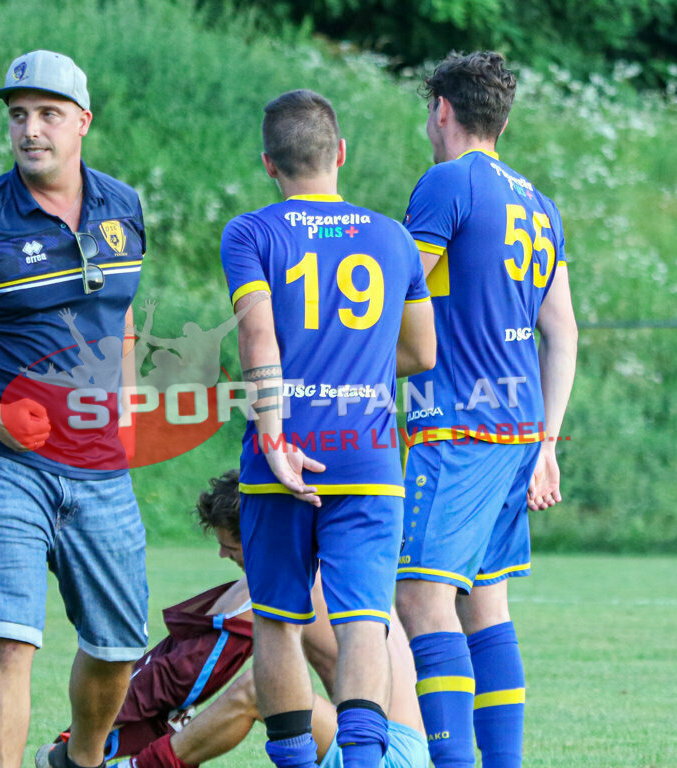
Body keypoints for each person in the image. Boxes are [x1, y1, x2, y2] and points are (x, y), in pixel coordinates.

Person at [0, 50, 149, 768]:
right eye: (18, 116)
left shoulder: (124, 206)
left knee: (117, 648)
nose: (30, 129)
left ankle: (82, 760)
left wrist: (125, 404)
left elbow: (120, 313)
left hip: (99, 464)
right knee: (9, 638)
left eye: (46, 115)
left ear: (82, 122)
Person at [219, 90, 437, 768]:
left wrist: (277, 435)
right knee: (366, 620)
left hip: (284, 456)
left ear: (268, 165)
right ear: (340, 153)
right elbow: (423, 354)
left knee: (280, 621)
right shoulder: (392, 237)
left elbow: (258, 336)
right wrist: (363, 365)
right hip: (370, 457)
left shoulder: (250, 233)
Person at [393, 52, 579, 768]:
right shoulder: (537, 201)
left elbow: (402, 306)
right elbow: (559, 330)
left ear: (441, 108)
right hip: (519, 432)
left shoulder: (448, 183)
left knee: (422, 600)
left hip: (460, 427)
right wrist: (549, 442)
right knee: (484, 607)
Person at [39, 469, 430, 768]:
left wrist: (82, 739)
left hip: (386, 753)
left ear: (257, 536)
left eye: (230, 547)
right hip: (389, 742)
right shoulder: (331, 556)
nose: (225, 557)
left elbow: (189, 670)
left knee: (259, 688)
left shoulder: (294, 573)